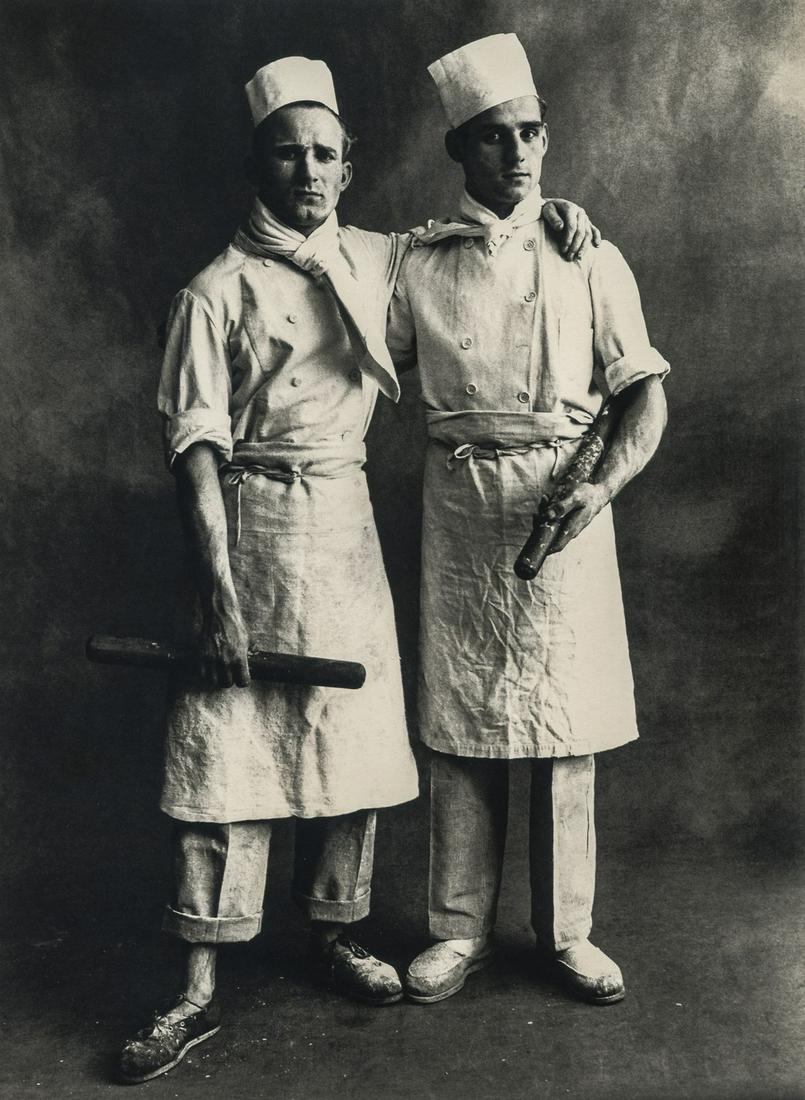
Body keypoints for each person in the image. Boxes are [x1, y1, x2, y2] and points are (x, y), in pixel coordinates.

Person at [118, 54, 596, 1084]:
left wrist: (558, 219)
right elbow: (193, 452)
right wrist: (218, 596)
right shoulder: (213, 292)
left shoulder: (385, 258)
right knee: (225, 756)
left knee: (348, 743)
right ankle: (195, 985)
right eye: (287, 154)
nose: (308, 173)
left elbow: (484, 250)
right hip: (246, 530)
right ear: (257, 164)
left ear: (350, 165)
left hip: (343, 532)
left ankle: (332, 931)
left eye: (325, 155)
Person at [386, 33, 669, 1007]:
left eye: (530, 132)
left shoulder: (589, 255)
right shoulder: (416, 265)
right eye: (493, 136)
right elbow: (348, 362)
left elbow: (644, 397)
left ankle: (567, 931)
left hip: (563, 504)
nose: (517, 152)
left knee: (563, 724)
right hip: (461, 508)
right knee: (462, 723)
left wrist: (602, 486)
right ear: (457, 149)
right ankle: (456, 929)